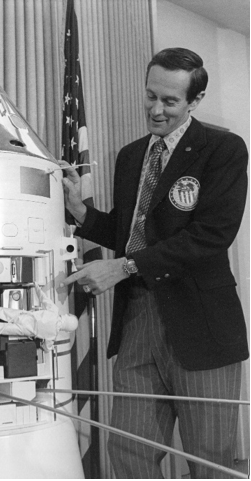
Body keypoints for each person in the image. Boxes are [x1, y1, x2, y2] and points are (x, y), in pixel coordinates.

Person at [61, 48, 248, 477]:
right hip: (137, 319)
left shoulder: (222, 149)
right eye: (150, 96)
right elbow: (131, 234)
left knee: (209, 457)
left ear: (194, 101)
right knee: (129, 450)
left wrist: (122, 267)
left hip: (201, 322)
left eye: (170, 101)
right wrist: (83, 215)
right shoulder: (130, 156)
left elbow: (211, 235)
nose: (156, 110)